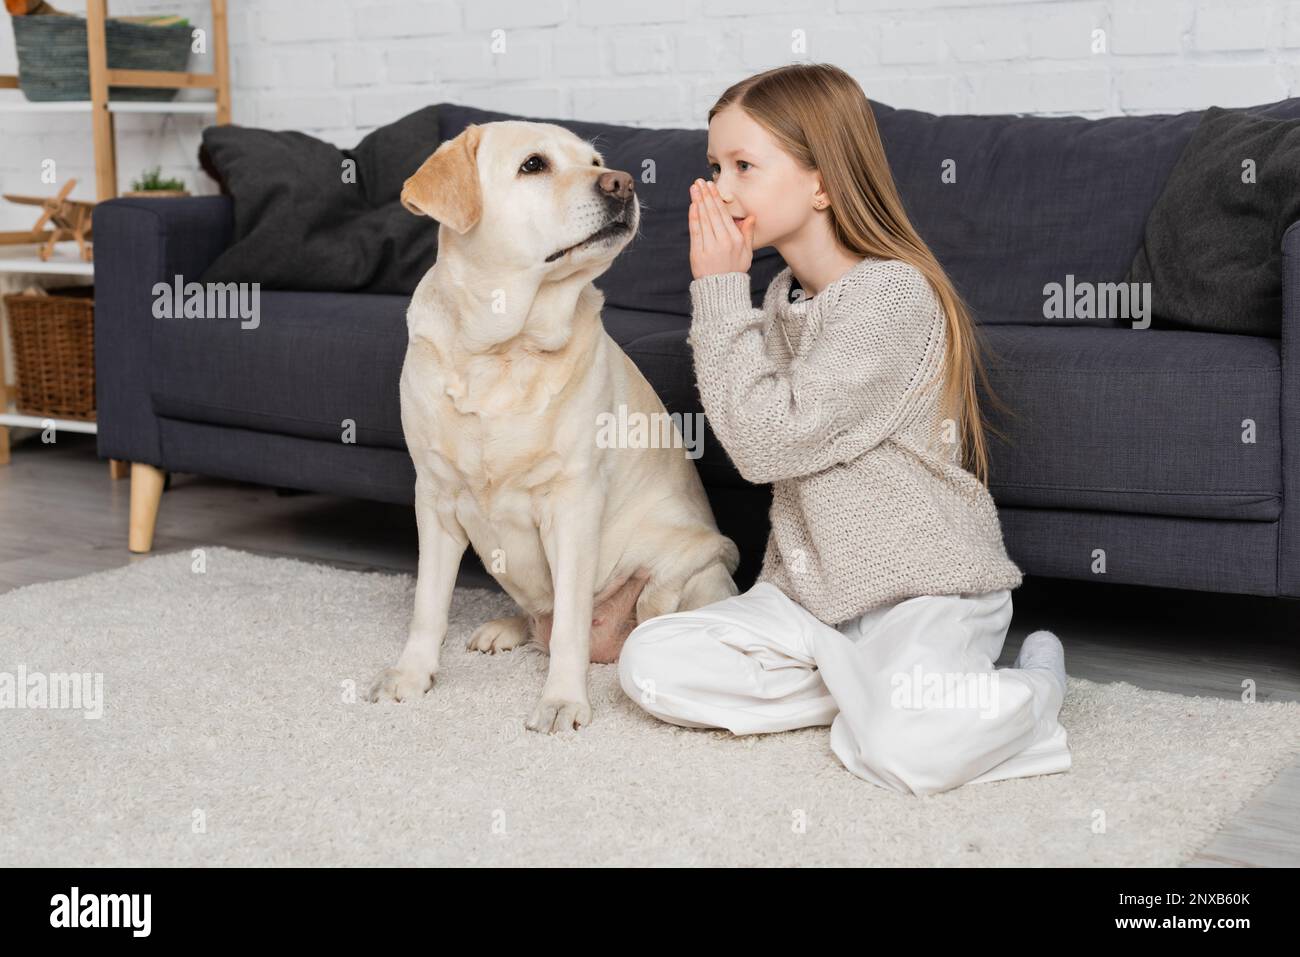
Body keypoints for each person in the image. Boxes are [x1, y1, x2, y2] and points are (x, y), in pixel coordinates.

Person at [617, 63, 1071, 797]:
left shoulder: (892, 295)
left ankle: (1036, 687)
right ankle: (869, 693)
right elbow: (751, 422)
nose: (720, 189)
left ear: (823, 183)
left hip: (920, 592)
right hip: (807, 597)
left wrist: (716, 290)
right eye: (713, 166)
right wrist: (732, 296)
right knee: (648, 662)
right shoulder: (779, 297)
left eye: (743, 166)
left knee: (908, 752)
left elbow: (766, 443)